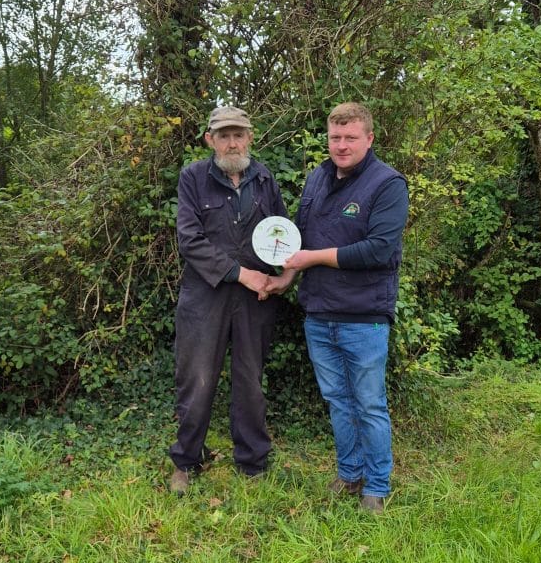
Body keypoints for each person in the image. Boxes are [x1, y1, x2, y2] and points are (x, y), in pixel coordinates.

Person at [271, 102, 408, 514]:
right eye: (335, 137)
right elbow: (299, 243)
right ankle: (350, 475)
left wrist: (310, 259)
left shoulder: (388, 184)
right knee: (337, 400)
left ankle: (377, 487)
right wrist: (286, 276)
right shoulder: (317, 178)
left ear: (369, 138)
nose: (342, 145)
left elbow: (378, 250)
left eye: (350, 137)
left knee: (368, 403)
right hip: (319, 314)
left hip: (364, 318)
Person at [169, 105, 289, 494]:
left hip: (257, 297)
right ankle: (186, 461)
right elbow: (190, 240)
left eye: (239, 134)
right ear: (210, 140)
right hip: (207, 293)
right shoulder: (193, 178)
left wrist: (283, 275)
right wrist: (239, 273)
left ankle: (253, 461)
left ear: (250, 137)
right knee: (197, 379)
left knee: (250, 378)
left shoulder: (265, 178)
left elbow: (282, 233)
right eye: (224, 135)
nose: (232, 142)